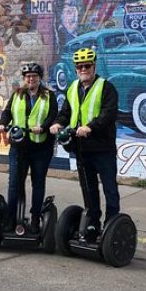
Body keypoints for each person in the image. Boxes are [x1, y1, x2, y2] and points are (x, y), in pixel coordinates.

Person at [50, 48, 119, 242]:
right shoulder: (73, 88)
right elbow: (66, 111)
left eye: (87, 65)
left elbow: (109, 114)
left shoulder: (106, 87)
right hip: (81, 149)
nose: (83, 69)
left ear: (94, 66)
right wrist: (58, 123)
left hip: (103, 149)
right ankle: (92, 223)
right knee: (89, 189)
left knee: (109, 189)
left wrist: (90, 127)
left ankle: (112, 225)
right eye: (80, 66)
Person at [0, 62, 58, 232]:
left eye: (34, 76)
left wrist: (43, 127)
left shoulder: (48, 96)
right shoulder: (17, 95)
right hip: (19, 146)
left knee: (38, 183)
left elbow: (53, 115)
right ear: (24, 79)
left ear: (39, 78)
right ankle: (10, 218)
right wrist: (2, 124)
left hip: (41, 147)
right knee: (14, 182)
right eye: (28, 76)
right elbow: (7, 112)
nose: (31, 79)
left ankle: (36, 218)